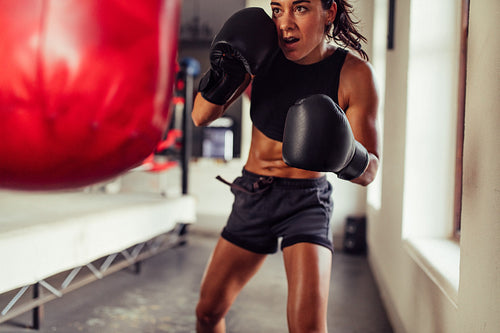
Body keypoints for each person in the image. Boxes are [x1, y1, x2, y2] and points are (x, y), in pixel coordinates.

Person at [192, 0, 379, 332]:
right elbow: (200, 116)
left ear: (330, 12)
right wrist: (228, 72)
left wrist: (343, 151)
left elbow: (370, 172)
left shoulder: (354, 75)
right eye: (278, 9)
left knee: (306, 328)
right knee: (207, 313)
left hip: (306, 202)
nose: (285, 23)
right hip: (253, 195)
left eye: (301, 8)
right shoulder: (261, 55)